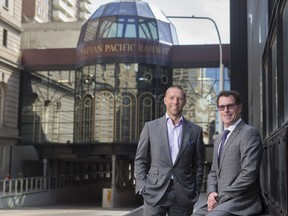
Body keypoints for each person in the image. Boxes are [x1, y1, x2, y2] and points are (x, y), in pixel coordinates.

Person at [134, 85, 205, 216]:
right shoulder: (150, 127)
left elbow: (199, 165)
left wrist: (195, 190)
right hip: (154, 192)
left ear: (184, 101)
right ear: (165, 100)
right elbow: (140, 159)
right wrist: (142, 185)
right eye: (171, 98)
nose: (175, 102)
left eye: (179, 98)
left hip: (183, 194)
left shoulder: (195, 131)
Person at [193, 90, 264, 216]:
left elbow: (249, 174)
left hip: (242, 201)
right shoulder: (219, 138)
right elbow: (213, 172)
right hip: (221, 201)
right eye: (221, 107)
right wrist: (210, 194)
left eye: (230, 106)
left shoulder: (249, 133)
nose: (226, 110)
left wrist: (220, 197)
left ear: (239, 107)